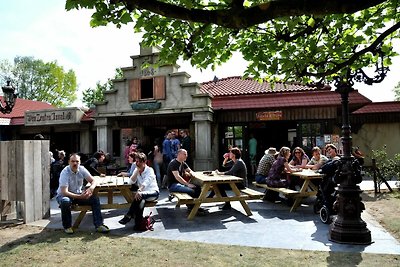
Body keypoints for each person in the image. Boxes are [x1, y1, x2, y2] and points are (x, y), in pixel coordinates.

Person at [56, 153, 109, 234]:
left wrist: (91, 188)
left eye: (77, 161)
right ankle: (67, 227)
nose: (75, 163)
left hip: (78, 194)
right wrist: (80, 197)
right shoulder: (65, 172)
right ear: (69, 162)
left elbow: (93, 181)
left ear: (80, 162)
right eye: (72, 161)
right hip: (65, 195)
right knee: (65, 201)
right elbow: (64, 192)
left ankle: (99, 225)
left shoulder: (82, 169)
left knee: (95, 199)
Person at [118, 152, 159, 230]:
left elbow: (146, 182)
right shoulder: (136, 170)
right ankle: (138, 224)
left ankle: (129, 215)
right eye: (136, 161)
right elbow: (131, 182)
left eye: (140, 162)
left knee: (140, 195)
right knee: (140, 201)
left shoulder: (150, 170)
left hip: (153, 193)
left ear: (145, 162)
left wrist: (140, 190)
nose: (137, 163)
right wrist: (136, 172)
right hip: (142, 194)